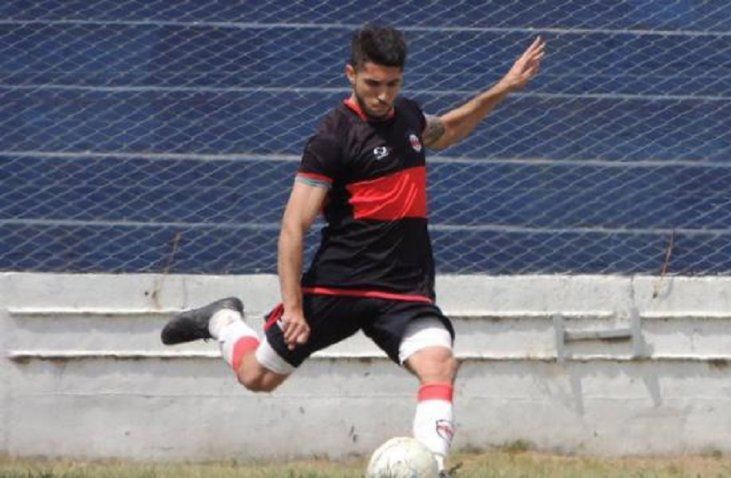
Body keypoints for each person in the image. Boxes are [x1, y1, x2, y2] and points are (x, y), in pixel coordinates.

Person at [161, 24, 545, 475]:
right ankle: (223, 320)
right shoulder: (332, 138)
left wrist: (504, 87)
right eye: (372, 84)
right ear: (351, 74)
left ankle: (432, 468)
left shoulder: (409, 118)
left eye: (392, 84)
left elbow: (450, 128)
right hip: (337, 286)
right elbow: (293, 227)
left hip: (402, 290)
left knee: (439, 365)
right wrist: (293, 308)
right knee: (257, 377)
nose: (383, 95)